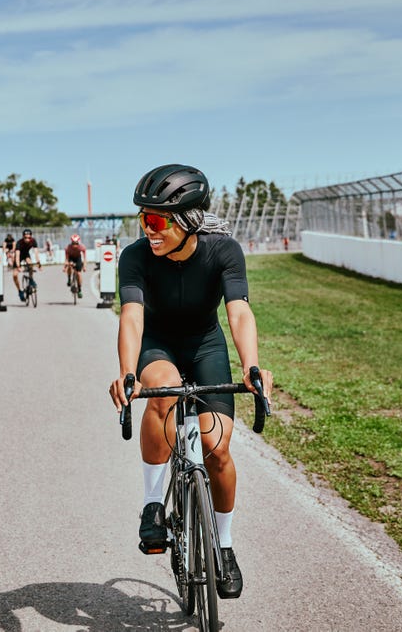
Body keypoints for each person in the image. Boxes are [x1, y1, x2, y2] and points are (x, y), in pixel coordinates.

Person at [108, 163, 273, 600]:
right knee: (160, 394)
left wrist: (252, 367)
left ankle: (224, 544)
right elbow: (132, 317)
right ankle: (152, 503)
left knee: (217, 451)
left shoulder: (224, 251)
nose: (148, 229)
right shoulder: (135, 257)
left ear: (188, 220)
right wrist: (127, 373)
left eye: (157, 220)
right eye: (142, 219)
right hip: (157, 343)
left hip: (205, 345)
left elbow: (238, 311)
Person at [11, 228, 41, 302]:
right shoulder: (19, 243)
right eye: (25, 237)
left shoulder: (33, 241)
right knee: (15, 275)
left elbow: (36, 253)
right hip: (19, 255)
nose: (27, 239)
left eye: (29, 237)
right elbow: (17, 256)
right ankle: (20, 291)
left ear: (31, 237)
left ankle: (31, 279)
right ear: (23, 237)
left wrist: (38, 263)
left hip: (26, 254)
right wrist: (18, 266)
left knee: (30, 264)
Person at [64, 233, 87, 298]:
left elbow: (85, 258)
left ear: (78, 243)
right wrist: (65, 266)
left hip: (78, 258)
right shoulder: (68, 248)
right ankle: (69, 279)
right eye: (73, 243)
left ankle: (79, 290)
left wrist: (84, 266)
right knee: (69, 267)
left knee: (79, 274)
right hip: (71, 258)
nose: (74, 245)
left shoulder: (82, 247)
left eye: (76, 243)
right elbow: (66, 259)